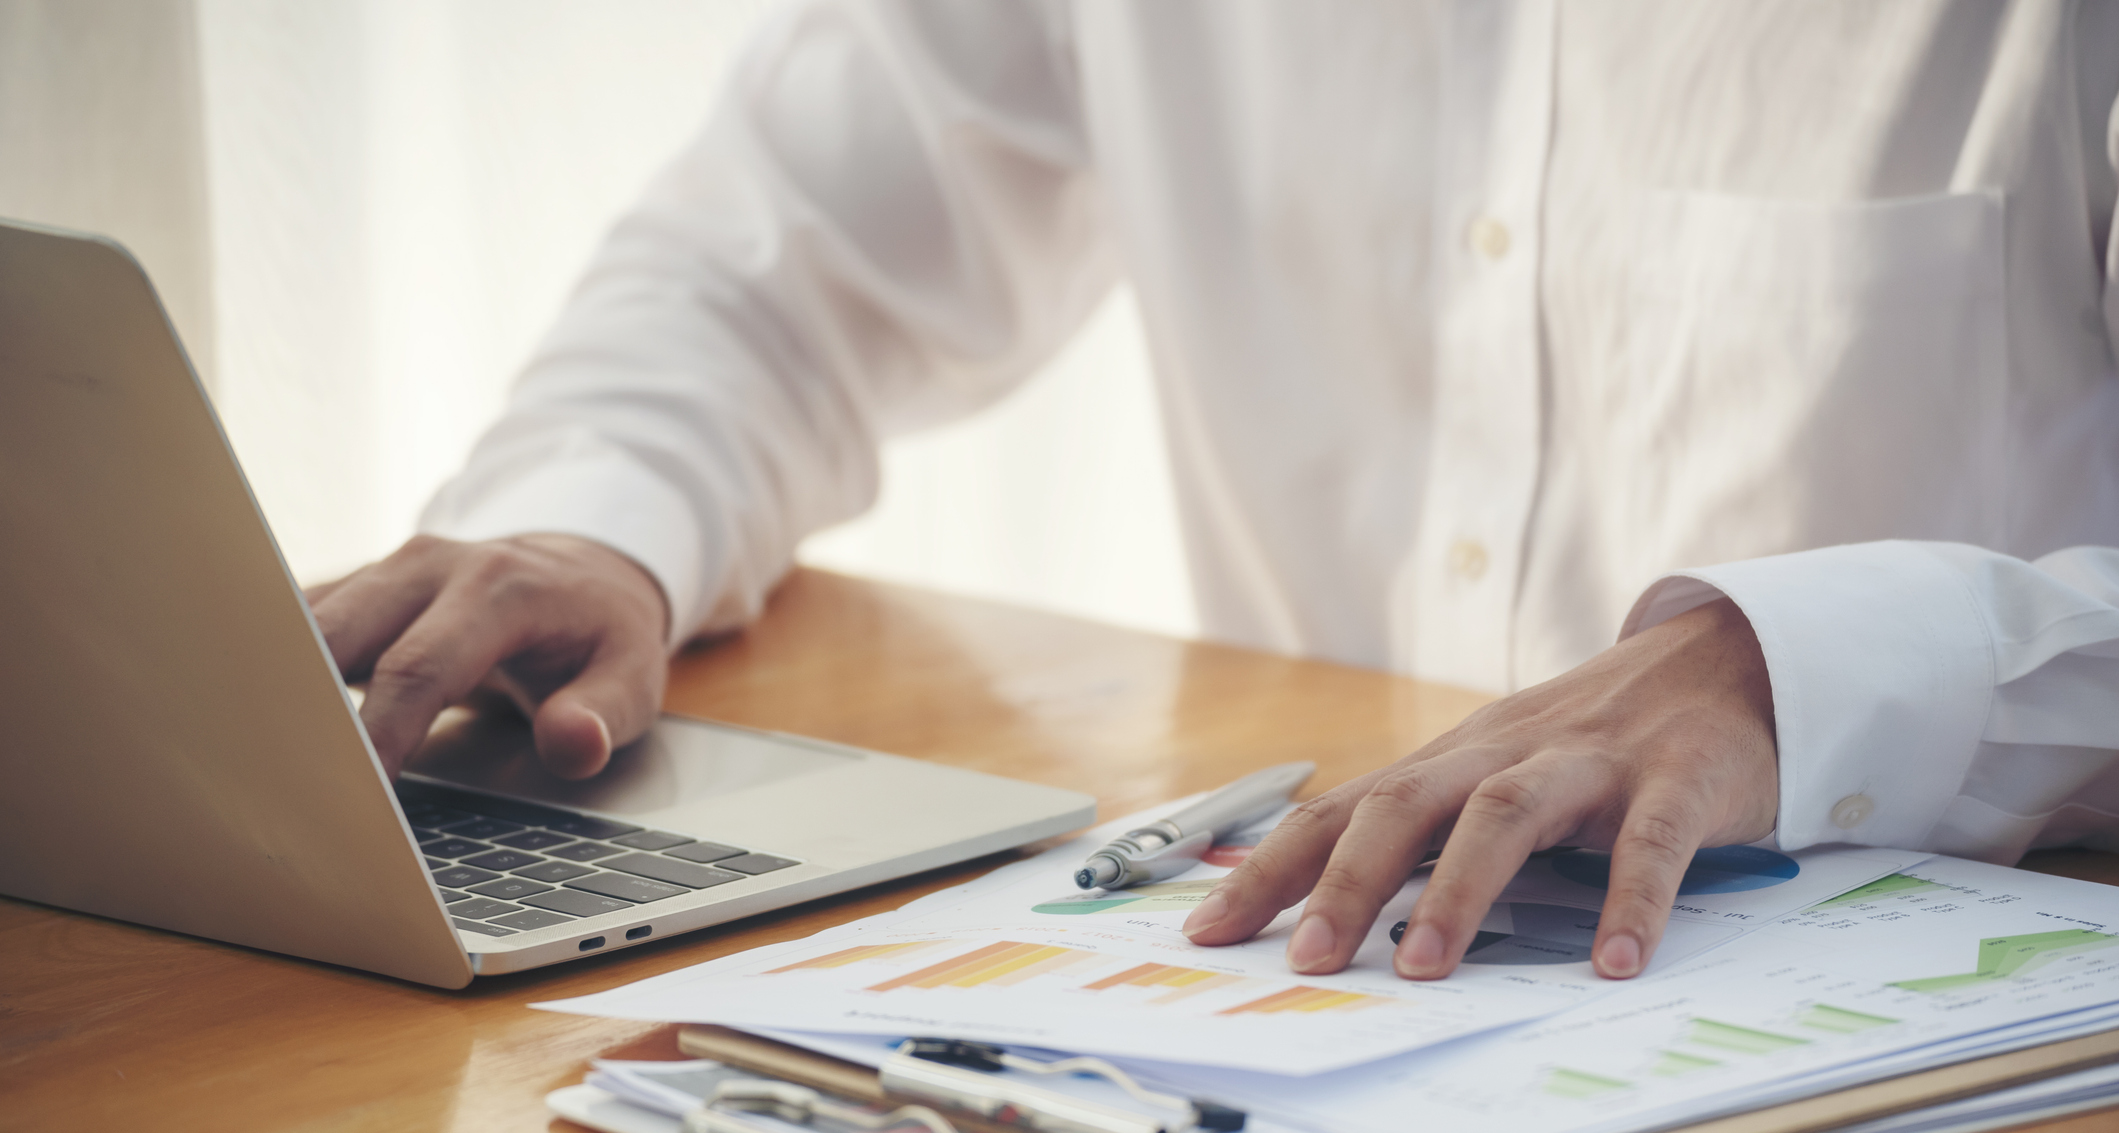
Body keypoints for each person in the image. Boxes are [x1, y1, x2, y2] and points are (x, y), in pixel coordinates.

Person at [308, 2, 2119, 986]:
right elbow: (772, 269)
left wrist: (1797, 669)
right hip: (1316, 1001)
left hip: (1913, 1050)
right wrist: (597, 520)